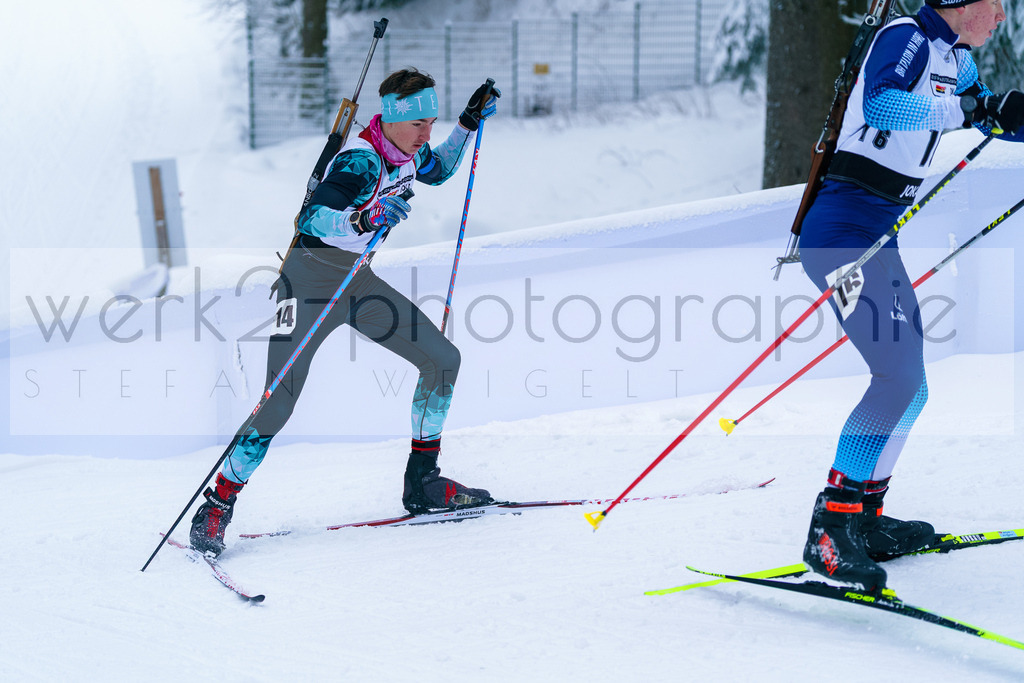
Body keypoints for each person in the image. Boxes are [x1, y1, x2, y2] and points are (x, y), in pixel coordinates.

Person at [190, 69, 501, 556]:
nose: (427, 133)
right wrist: (364, 217)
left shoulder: (406, 150)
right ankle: (217, 505)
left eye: (432, 122)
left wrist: (466, 122)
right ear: (394, 120)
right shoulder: (361, 160)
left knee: (443, 359)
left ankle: (422, 483)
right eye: (419, 123)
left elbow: (437, 169)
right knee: (279, 398)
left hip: (355, 281)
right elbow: (314, 214)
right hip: (310, 280)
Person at [797, 0, 1024, 590]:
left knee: (913, 386)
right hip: (842, 232)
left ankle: (865, 520)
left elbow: (982, 113)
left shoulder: (955, 57)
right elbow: (883, 103)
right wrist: (969, 108)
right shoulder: (909, 36)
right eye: (995, 4)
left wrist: (1003, 115)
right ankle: (830, 528)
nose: (1001, 16)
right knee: (895, 377)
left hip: (877, 233)